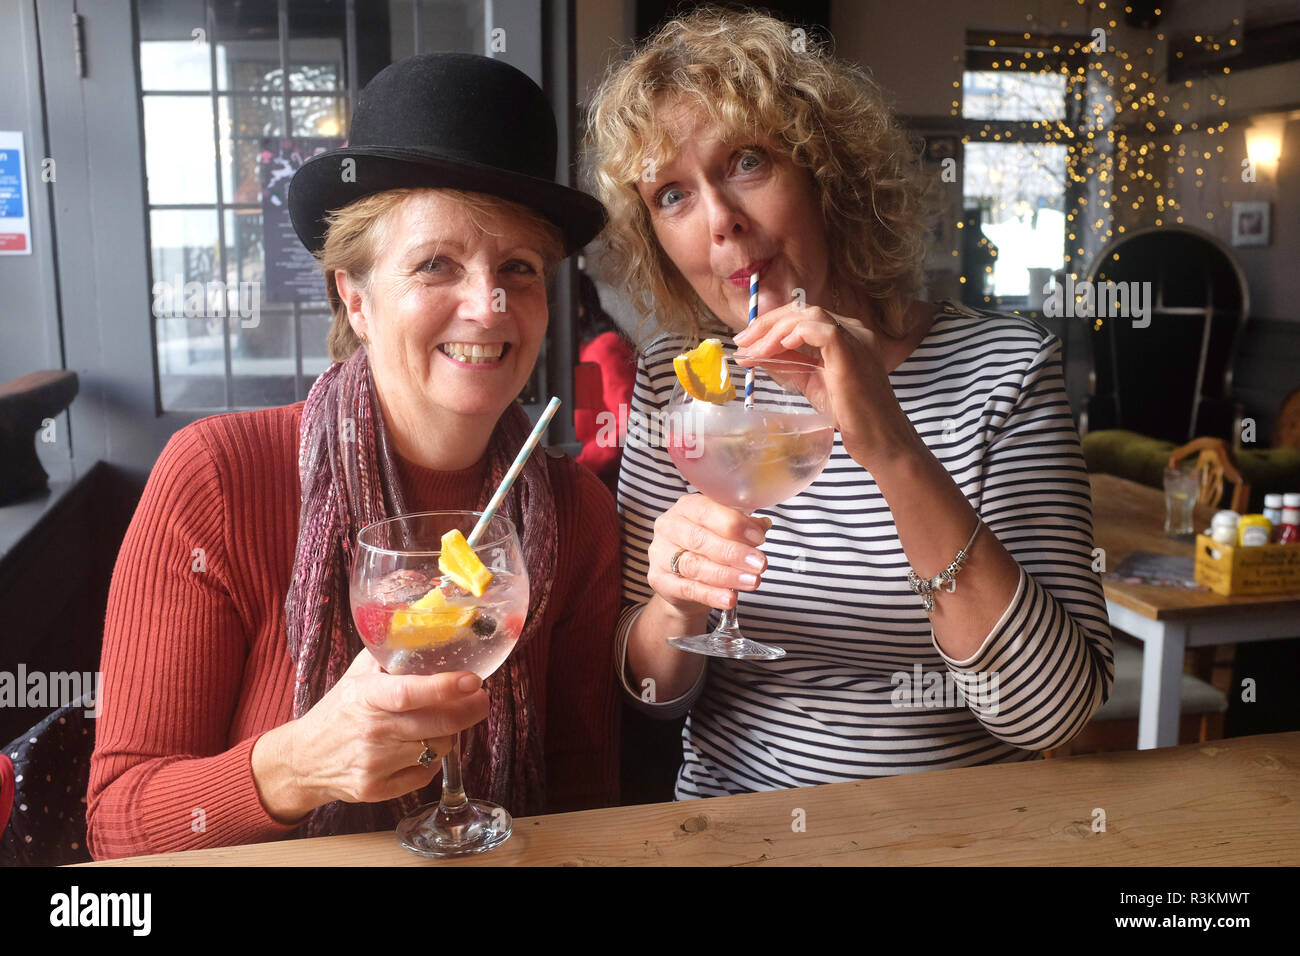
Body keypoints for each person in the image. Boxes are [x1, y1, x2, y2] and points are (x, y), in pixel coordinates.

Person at [86, 53, 620, 858]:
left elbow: (587, 795)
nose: (489, 305)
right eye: (436, 263)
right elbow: (117, 822)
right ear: (356, 297)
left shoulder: (575, 512)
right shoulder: (218, 477)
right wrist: (298, 767)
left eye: (518, 268)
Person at [585, 9, 1114, 798]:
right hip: (736, 841)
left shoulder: (1003, 369)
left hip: (960, 835)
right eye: (671, 195)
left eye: (747, 162)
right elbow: (652, 698)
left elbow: (1054, 715)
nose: (720, 221)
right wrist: (674, 605)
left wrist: (893, 450)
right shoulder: (681, 383)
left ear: (826, 170)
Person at [574, 273, 636, 491]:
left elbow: (628, 423)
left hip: (612, 491)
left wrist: (577, 467)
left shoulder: (604, 346)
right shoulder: (582, 351)